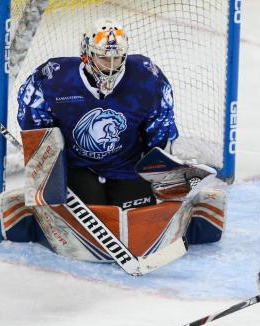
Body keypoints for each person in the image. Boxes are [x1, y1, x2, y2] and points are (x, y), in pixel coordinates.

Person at [17, 19, 179, 209]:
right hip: (77, 167)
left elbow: (159, 131)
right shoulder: (53, 79)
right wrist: (48, 172)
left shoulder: (147, 79)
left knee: (138, 220)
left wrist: (159, 170)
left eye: (116, 58)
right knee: (91, 212)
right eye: (103, 58)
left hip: (127, 166)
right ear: (86, 54)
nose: (111, 66)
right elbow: (34, 127)